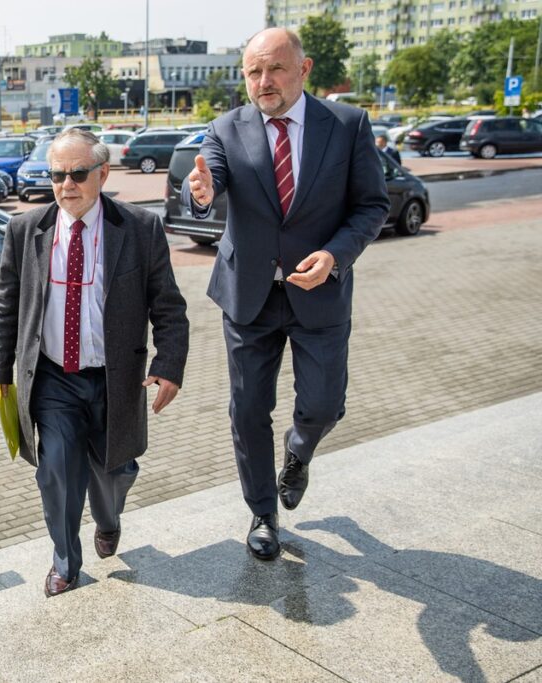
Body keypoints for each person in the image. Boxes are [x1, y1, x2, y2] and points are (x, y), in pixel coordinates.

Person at [182, 28, 389, 561]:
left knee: (323, 405)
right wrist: (199, 194)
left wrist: (336, 255)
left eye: (274, 69)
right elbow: (209, 180)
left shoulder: (346, 125)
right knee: (248, 409)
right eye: (253, 71)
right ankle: (262, 513)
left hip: (318, 291)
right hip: (248, 296)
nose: (263, 81)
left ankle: (298, 455)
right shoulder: (226, 129)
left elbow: (371, 206)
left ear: (304, 68)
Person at [0, 129, 189, 597]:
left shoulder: (138, 228)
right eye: (57, 175)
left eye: (77, 174)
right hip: (54, 378)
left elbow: (168, 306)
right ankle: (65, 562)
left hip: (116, 378)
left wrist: (170, 364)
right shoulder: (25, 229)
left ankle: (109, 516)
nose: (66, 185)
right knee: (56, 471)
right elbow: (5, 304)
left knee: (116, 470)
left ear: (102, 173)